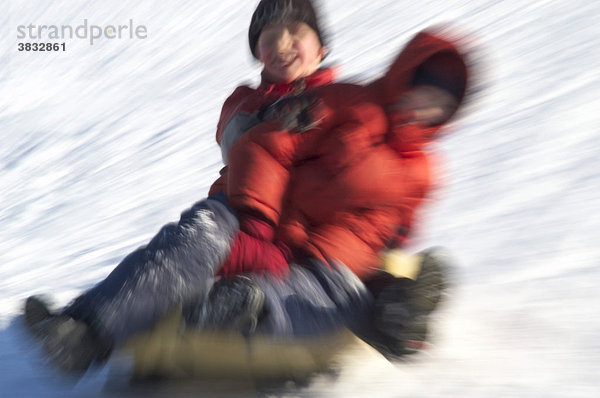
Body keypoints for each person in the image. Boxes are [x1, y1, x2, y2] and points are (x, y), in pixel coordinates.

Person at [24, 0, 468, 376]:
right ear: (257, 50)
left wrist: (382, 265)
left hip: (314, 247)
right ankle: (86, 331)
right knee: (192, 238)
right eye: (268, 36)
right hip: (246, 217)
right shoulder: (269, 102)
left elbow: (392, 231)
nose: (282, 44)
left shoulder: (353, 109)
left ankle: (368, 310)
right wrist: (277, 115)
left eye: (296, 32)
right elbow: (242, 142)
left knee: (339, 289)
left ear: (323, 45)